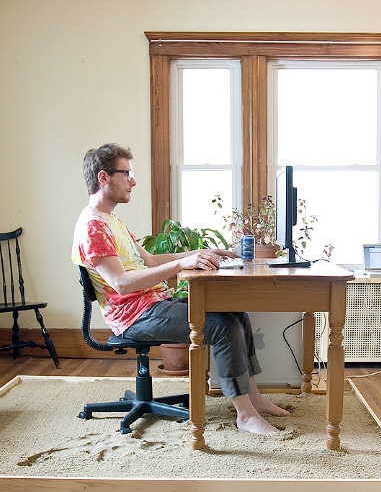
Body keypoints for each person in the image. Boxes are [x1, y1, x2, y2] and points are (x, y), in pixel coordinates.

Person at [72, 143, 289, 436]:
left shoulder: (112, 221)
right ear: (103, 177)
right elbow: (121, 284)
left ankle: (254, 399)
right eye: (127, 174)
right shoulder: (92, 227)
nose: (133, 181)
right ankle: (245, 416)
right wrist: (182, 264)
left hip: (152, 305)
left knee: (235, 312)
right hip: (134, 316)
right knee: (223, 326)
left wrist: (200, 252)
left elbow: (149, 260)